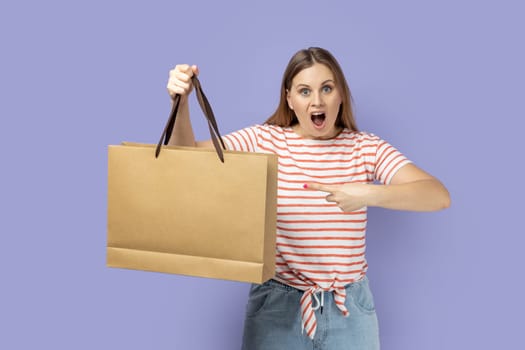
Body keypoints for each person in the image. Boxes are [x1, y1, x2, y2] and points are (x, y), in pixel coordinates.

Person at [166, 47, 450, 350]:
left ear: (341, 94)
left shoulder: (366, 148)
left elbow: (436, 195)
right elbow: (185, 161)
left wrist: (368, 193)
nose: (317, 101)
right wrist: (180, 103)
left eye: (327, 88)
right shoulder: (265, 140)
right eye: (305, 91)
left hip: (349, 310)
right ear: (289, 98)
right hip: (277, 307)